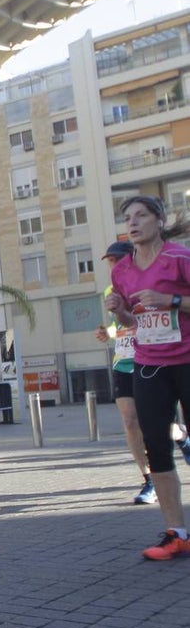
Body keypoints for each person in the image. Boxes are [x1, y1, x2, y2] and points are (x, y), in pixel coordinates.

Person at [105, 195, 190, 560]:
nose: (133, 223)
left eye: (141, 215)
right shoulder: (121, 270)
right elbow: (131, 323)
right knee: (156, 445)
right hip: (149, 362)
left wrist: (170, 301)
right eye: (128, 218)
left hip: (187, 358)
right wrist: (122, 310)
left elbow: (168, 303)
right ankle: (177, 533)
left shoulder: (179, 258)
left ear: (159, 219)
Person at [96, 240, 155, 504]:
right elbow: (116, 326)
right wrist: (105, 333)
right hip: (123, 363)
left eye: (116, 260)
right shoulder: (110, 290)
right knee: (130, 422)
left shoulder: (147, 282)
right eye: (109, 261)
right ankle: (148, 479)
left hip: (150, 360)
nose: (113, 265)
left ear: (130, 259)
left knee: (157, 424)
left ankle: (181, 438)